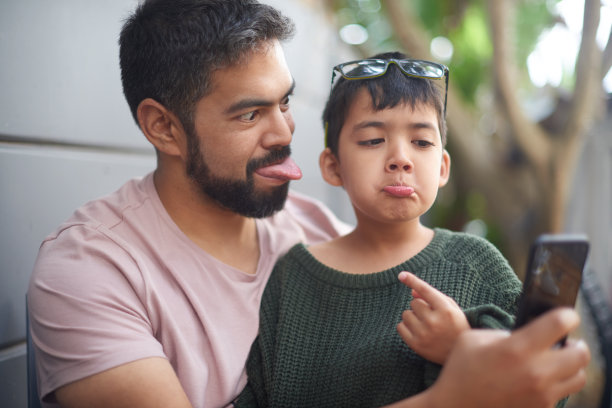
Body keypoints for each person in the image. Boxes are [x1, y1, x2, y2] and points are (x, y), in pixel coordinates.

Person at [26, 1, 590, 408]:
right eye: (249, 114)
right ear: (162, 127)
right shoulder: (90, 273)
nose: (284, 132)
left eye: (287, 102)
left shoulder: (320, 231)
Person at [234, 52, 525, 407]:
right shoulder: (291, 276)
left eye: (421, 142)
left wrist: (464, 345)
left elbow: (547, 382)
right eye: (373, 140)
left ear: (443, 167)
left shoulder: (475, 264)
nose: (400, 158)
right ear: (333, 166)